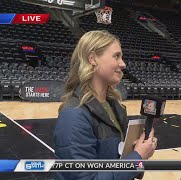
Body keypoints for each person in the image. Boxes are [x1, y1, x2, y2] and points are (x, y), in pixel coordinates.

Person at [54, 30, 157, 180]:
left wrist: (139, 152)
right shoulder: (74, 115)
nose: (123, 64)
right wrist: (137, 157)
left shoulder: (114, 106)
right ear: (92, 59)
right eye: (116, 56)